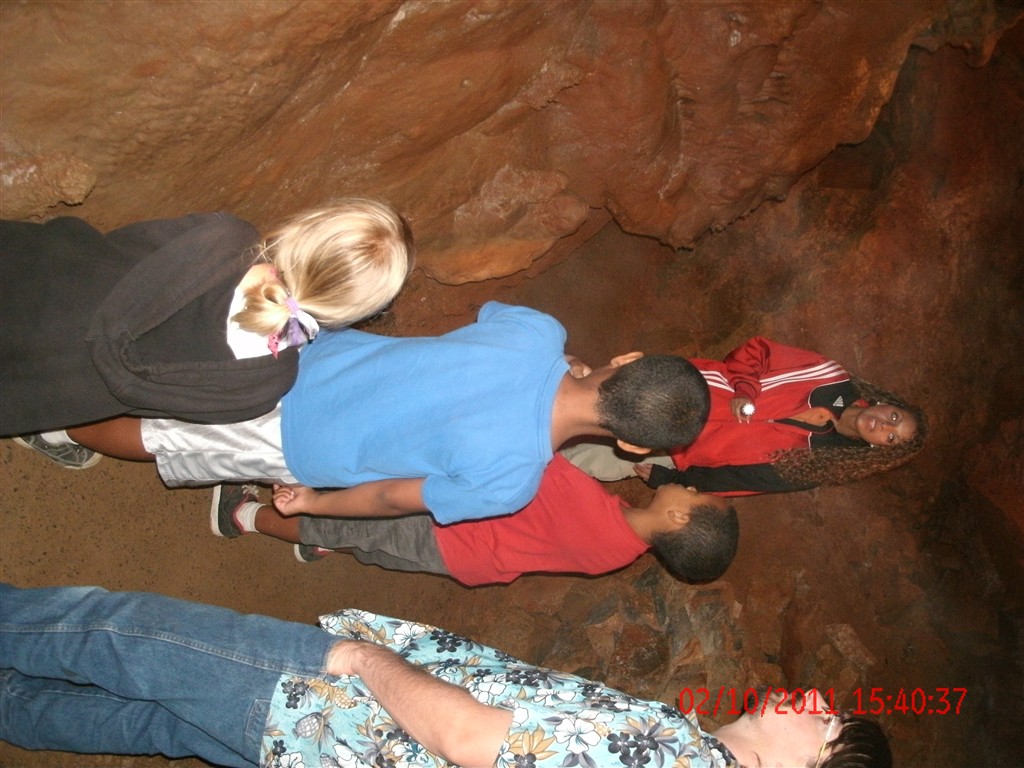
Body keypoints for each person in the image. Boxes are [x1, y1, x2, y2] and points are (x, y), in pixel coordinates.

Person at [0, 583, 892, 768]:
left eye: (828, 721)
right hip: (320, 750)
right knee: (148, 724)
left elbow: (470, 739)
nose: (816, 700)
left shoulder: (672, 759)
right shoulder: (685, 747)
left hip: (330, 706)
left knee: (116, 634)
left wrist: (360, 660)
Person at [68, 302, 711, 525]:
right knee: (162, 438)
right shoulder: (510, 483)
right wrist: (313, 504)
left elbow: (487, 327)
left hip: (308, 358)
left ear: (627, 358)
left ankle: (69, 377)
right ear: (632, 447)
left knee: (178, 380)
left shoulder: (538, 331)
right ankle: (63, 419)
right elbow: (389, 497)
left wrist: (569, 365)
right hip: (300, 445)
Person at [1, 199, 415, 468]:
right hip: (39, 393)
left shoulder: (224, 238)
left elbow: (125, 246)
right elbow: (165, 406)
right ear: (355, 313)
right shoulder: (264, 384)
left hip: (28, 274)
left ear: (307, 226)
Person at [212, 454, 740, 585]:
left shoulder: (584, 503)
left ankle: (244, 516)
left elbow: (534, 454)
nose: (691, 486)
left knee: (344, 520)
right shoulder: (623, 547)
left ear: (676, 516)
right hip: (470, 559)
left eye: (696, 496)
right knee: (372, 543)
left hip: (446, 533)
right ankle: (324, 544)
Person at [563, 336, 927, 496]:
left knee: (582, 460)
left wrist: (670, 479)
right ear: (885, 403)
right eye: (894, 417)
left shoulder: (823, 463)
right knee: (583, 400)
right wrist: (745, 389)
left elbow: (740, 481)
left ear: (880, 449)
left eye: (890, 438)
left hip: (676, 450)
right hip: (677, 389)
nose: (885, 426)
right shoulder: (828, 376)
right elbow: (758, 351)